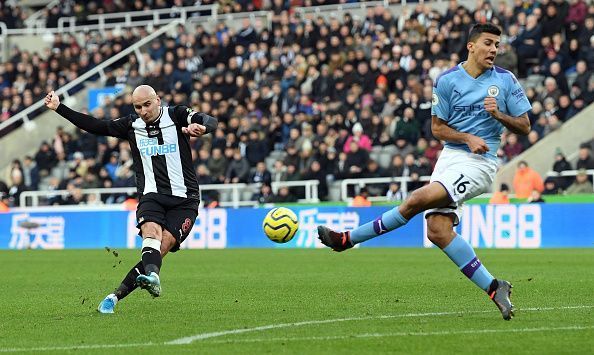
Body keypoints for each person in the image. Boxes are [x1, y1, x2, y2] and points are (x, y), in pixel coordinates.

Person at [317, 24, 532, 321]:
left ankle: (347, 240)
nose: (494, 49)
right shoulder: (446, 81)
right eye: (488, 43)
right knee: (438, 231)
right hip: (450, 158)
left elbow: (525, 126)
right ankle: (495, 287)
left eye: (497, 44)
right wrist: (466, 137)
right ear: (471, 46)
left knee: (418, 199)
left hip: (481, 163)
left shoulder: (505, 81)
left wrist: (499, 115)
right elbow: (437, 128)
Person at [44, 85, 218, 314]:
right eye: (138, 107)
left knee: (162, 247)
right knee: (151, 233)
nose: (143, 111)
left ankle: (114, 296)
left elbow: (209, 119)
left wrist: (202, 127)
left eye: (147, 104)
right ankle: (153, 277)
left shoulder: (177, 115)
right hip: (151, 195)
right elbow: (96, 126)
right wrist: (60, 108)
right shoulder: (131, 125)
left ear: (158, 100)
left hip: (185, 200)